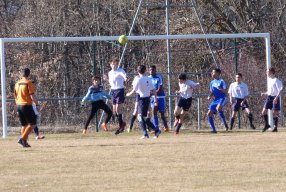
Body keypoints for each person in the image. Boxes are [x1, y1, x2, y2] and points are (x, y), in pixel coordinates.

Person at [126, 65, 161, 139]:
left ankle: (154, 130)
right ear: (145, 71)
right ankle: (147, 133)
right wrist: (155, 99)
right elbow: (153, 90)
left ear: (137, 71)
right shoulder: (148, 78)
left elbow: (134, 89)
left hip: (142, 99)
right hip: (147, 99)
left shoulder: (139, 79)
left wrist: (128, 94)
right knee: (142, 117)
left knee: (141, 117)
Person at [14, 68, 39, 147]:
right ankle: (22, 139)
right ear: (29, 74)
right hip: (26, 105)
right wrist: (37, 104)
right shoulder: (28, 83)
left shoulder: (17, 83)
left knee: (24, 125)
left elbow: (15, 96)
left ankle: (24, 142)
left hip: (19, 105)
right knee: (33, 123)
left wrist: (17, 106)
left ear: (21, 74)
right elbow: (32, 96)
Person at [107, 57, 127, 135]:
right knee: (115, 111)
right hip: (113, 91)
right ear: (110, 65)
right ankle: (122, 124)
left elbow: (123, 75)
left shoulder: (120, 71)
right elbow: (111, 82)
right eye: (112, 64)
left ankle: (120, 126)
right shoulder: (110, 73)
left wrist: (125, 78)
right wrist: (106, 80)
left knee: (118, 109)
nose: (114, 65)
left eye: (115, 64)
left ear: (117, 64)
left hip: (120, 90)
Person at [261, 67, 283, 132]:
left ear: (271, 72)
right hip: (269, 97)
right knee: (263, 111)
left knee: (274, 113)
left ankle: (275, 128)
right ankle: (267, 125)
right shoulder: (269, 80)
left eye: (267, 72)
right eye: (266, 71)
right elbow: (270, 91)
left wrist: (276, 98)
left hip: (275, 98)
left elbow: (280, 90)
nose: (266, 73)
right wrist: (264, 93)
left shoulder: (276, 80)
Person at [207, 68, 229, 133]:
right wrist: (209, 96)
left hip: (222, 98)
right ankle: (214, 130)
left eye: (213, 72)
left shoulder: (222, 81)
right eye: (212, 72)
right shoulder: (211, 82)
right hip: (216, 99)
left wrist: (220, 88)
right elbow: (211, 91)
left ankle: (225, 124)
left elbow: (225, 91)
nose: (212, 73)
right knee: (209, 114)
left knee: (218, 108)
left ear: (218, 73)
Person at [149, 65, 169, 132]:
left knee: (162, 114)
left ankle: (166, 127)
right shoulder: (148, 78)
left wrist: (151, 93)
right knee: (154, 112)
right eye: (150, 70)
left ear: (155, 70)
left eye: (153, 70)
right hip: (153, 98)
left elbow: (159, 89)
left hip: (160, 97)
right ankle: (156, 128)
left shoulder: (159, 77)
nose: (151, 71)